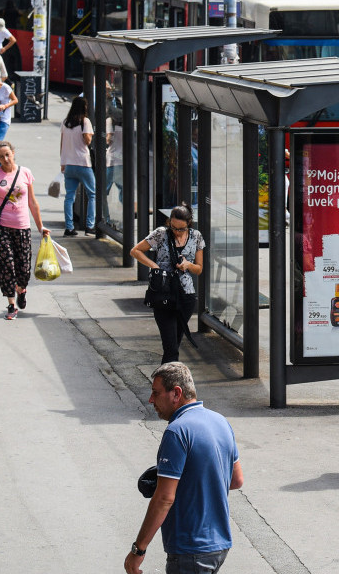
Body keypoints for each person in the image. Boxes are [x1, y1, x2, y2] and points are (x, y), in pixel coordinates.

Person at [125, 362, 244, 574]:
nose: (151, 400)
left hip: (191, 549)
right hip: (219, 545)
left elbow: (164, 499)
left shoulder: (177, 431)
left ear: (176, 393)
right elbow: (236, 480)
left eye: (156, 393)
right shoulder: (221, 422)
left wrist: (138, 550)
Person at [0, 140, 50, 320]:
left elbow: (33, 203)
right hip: (1, 228)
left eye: (7, 155)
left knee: (24, 268)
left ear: (13, 153)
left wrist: (41, 227)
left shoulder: (25, 173)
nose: (5, 159)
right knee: (6, 265)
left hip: (23, 228)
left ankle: (22, 289)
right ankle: (11, 304)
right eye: (1, 156)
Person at [130, 204, 205, 363]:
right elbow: (135, 251)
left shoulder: (196, 236)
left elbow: (199, 269)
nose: (177, 232)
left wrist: (188, 265)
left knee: (174, 344)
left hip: (186, 295)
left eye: (181, 229)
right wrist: (155, 266)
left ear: (189, 223)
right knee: (170, 347)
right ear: (170, 222)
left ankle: (165, 382)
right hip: (163, 294)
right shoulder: (161, 234)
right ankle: (169, 384)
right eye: (174, 227)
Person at [60, 96, 97, 237]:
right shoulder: (85, 121)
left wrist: (62, 163)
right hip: (83, 163)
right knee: (92, 195)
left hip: (69, 164)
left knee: (69, 197)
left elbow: (62, 144)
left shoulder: (65, 122)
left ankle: (69, 228)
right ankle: (90, 226)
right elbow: (87, 141)